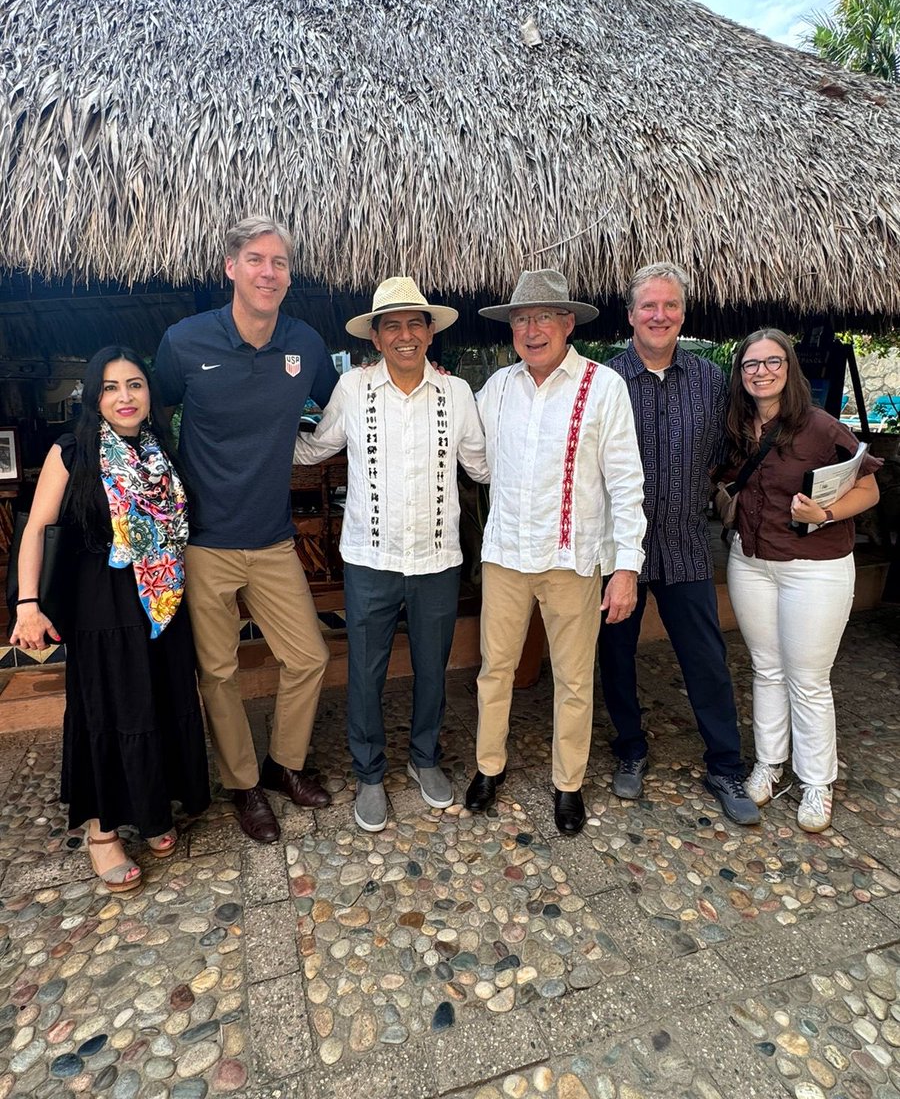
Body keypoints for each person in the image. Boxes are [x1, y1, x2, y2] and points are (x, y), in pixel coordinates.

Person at [154, 216, 338, 844]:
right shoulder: (184, 342)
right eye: (256, 260)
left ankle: (284, 765)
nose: (268, 272)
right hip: (205, 541)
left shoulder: (305, 345)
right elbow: (148, 416)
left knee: (309, 657)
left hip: (274, 539)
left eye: (279, 262)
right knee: (219, 672)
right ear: (230, 267)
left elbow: (345, 405)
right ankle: (242, 784)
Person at [10, 346, 210, 893]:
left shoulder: (157, 448)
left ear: (150, 394)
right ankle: (103, 834)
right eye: (110, 387)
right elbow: (37, 528)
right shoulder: (73, 449)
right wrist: (28, 603)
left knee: (161, 701)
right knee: (110, 711)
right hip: (102, 600)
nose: (124, 397)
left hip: (162, 597)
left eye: (135, 385)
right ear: (93, 397)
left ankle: (151, 812)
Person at [293, 278, 489, 831]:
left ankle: (426, 759)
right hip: (369, 556)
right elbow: (318, 445)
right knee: (366, 671)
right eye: (392, 326)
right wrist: (256, 430)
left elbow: (482, 463)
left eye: (414, 324)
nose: (405, 335)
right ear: (375, 337)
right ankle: (369, 772)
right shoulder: (354, 390)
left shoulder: (457, 394)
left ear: (430, 333)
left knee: (433, 667)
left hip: (436, 558)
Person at [464, 268, 646, 836]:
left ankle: (568, 783)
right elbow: (477, 460)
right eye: (521, 319)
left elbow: (626, 482)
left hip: (574, 560)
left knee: (573, 678)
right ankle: (488, 767)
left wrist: (627, 568)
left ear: (568, 323)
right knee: (494, 670)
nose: (532, 329)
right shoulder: (496, 389)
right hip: (505, 556)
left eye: (544, 317)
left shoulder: (603, 386)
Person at [600, 263, 759, 825]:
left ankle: (725, 765)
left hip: (687, 540)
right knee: (616, 655)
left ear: (682, 314)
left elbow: (736, 446)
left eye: (669, 306)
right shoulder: (605, 379)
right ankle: (630, 750)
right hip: (621, 546)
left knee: (706, 658)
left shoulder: (711, 381)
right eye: (649, 306)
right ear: (631, 315)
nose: (659, 315)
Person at [724, 328, 879, 833]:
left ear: (789, 368)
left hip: (814, 568)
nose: (761, 372)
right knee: (766, 669)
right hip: (750, 561)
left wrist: (827, 511)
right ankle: (769, 763)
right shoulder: (735, 423)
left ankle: (816, 781)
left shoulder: (820, 427)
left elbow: (869, 490)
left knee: (808, 679)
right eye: (751, 364)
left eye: (772, 362)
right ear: (740, 372)